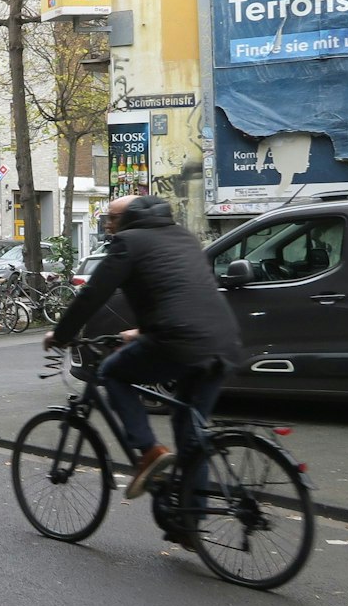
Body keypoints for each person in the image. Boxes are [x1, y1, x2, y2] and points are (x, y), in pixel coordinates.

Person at [45, 195, 245, 543]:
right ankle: (188, 522)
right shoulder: (183, 237)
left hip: (180, 342)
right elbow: (185, 294)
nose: (108, 225)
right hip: (223, 342)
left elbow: (92, 295)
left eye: (112, 219)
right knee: (190, 431)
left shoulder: (128, 243)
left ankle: (149, 451)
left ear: (129, 219)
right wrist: (142, 332)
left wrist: (61, 335)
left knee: (111, 372)